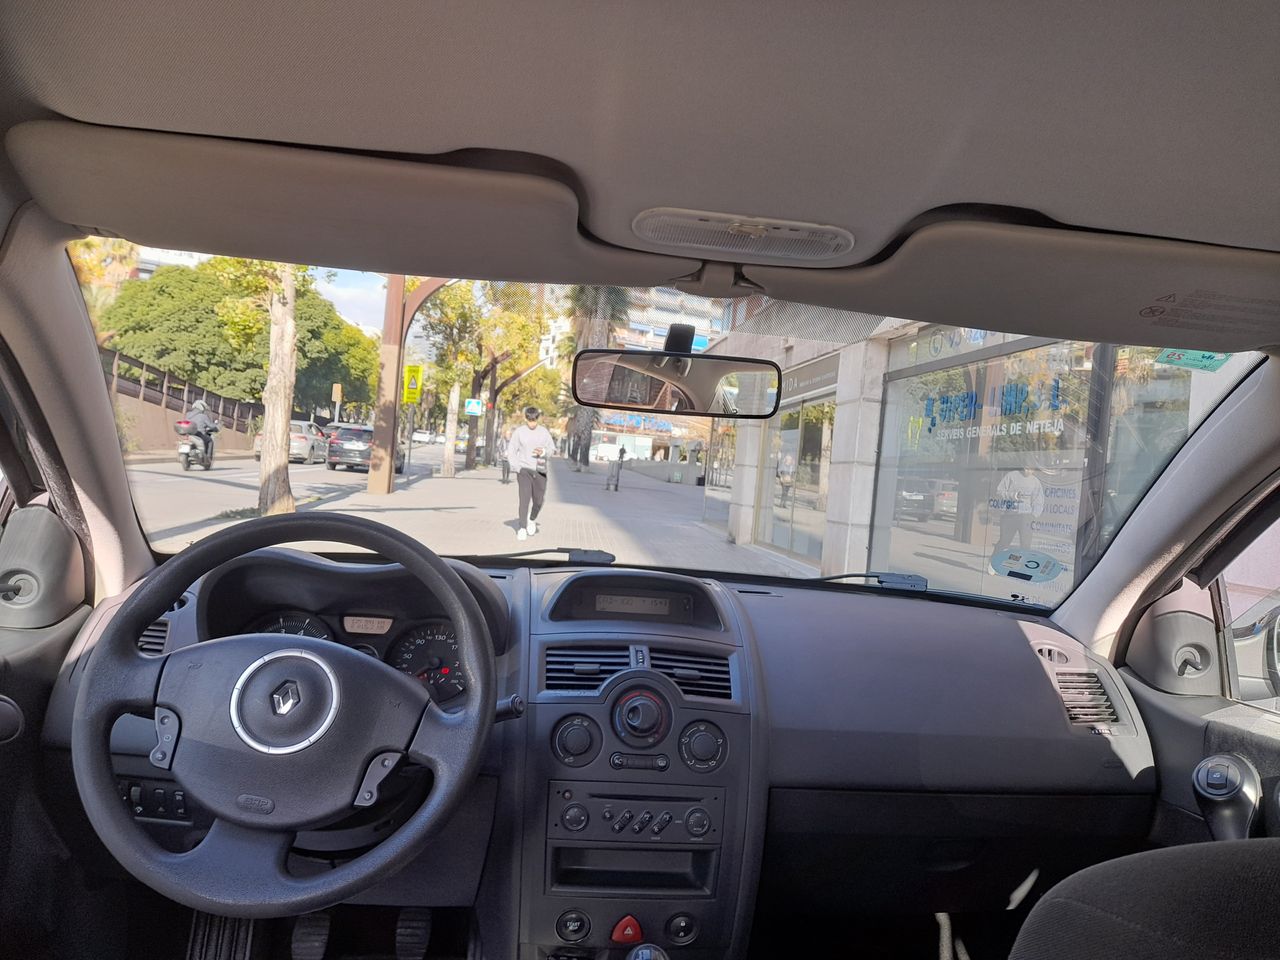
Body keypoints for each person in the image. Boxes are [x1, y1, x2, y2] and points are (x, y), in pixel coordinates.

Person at [507, 405, 554, 541]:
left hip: (540, 470)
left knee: (539, 500)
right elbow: (512, 449)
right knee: (524, 499)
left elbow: (551, 449)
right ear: (526, 419)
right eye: (529, 420)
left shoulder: (544, 432)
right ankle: (522, 527)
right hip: (524, 470)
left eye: (534, 420)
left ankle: (532, 519)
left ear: (537, 419)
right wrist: (516, 466)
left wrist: (543, 452)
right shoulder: (519, 432)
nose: (532, 423)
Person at [994, 465, 1045, 550]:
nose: (1027, 471)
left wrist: (1033, 516)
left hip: (1026, 516)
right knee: (1004, 542)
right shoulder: (1011, 476)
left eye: (1030, 469)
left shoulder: (1035, 482)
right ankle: (995, 558)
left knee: (1025, 545)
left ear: (1034, 470)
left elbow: (1038, 501)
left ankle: (1023, 559)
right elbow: (999, 491)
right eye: (1026, 468)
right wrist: (1013, 495)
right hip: (1010, 514)